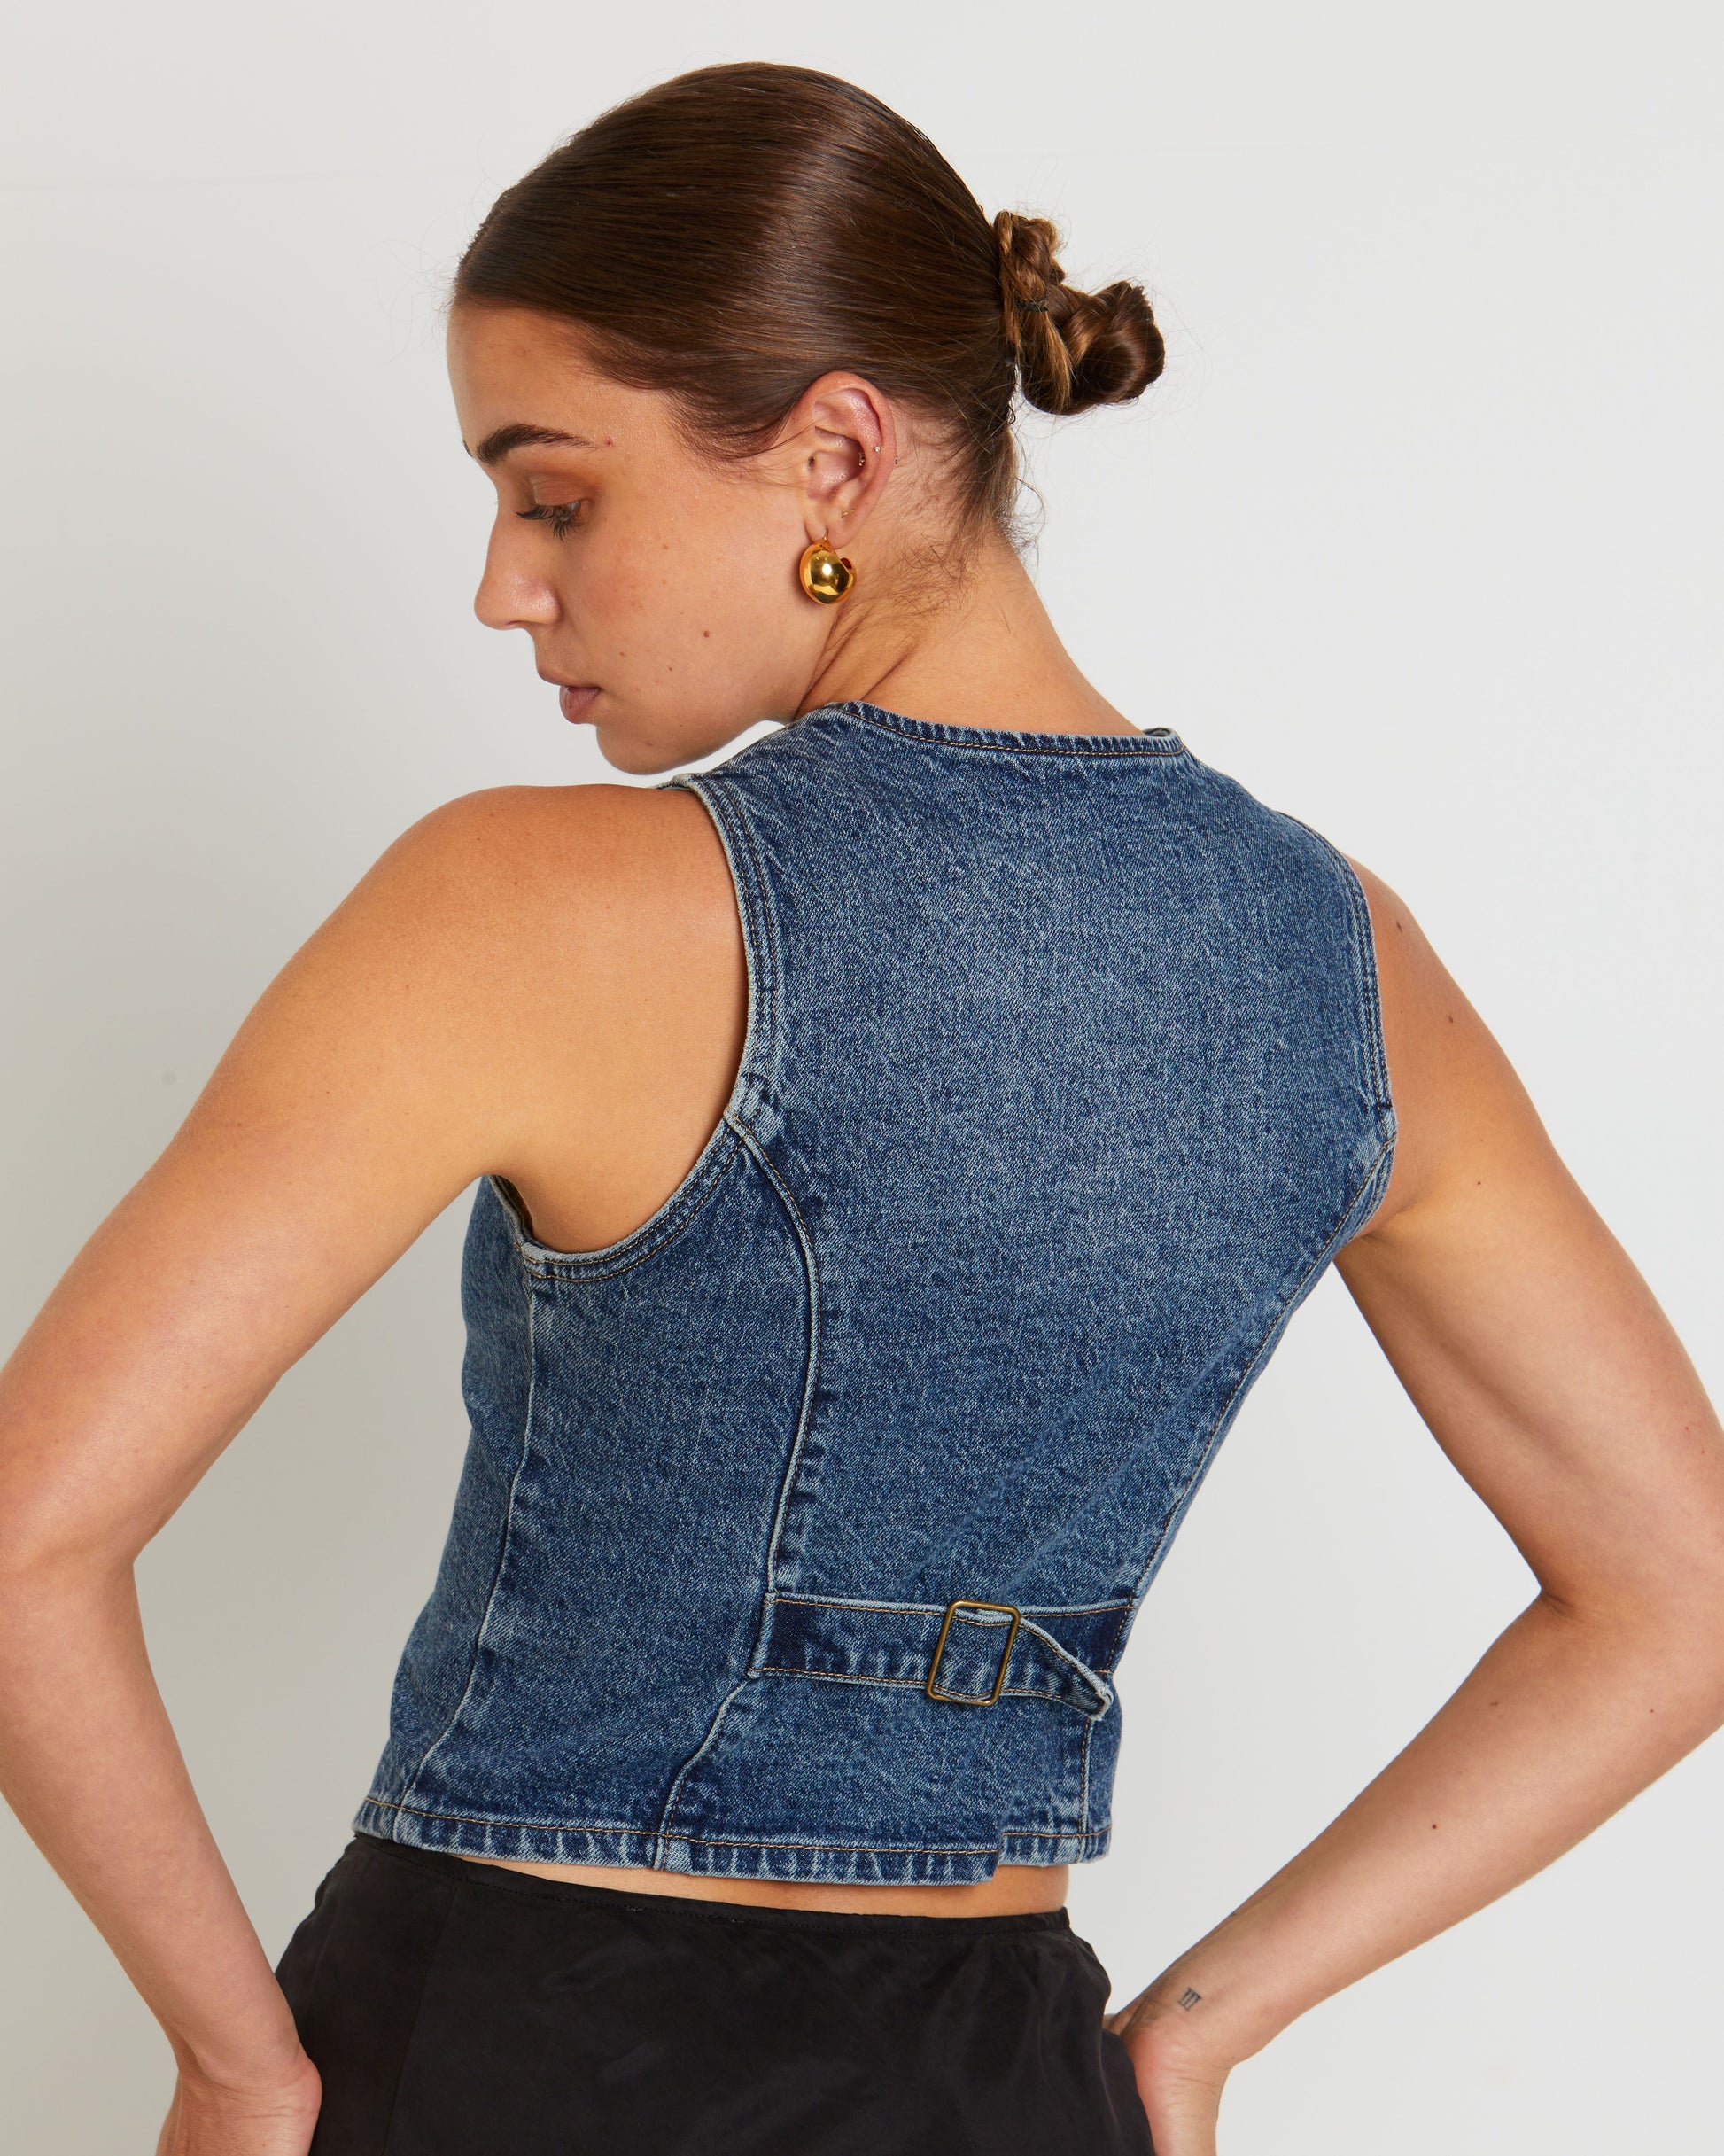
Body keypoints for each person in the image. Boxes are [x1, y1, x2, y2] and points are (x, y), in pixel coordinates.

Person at [1, 55, 1720, 2156]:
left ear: (833, 452)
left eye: (555, 496)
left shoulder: (519, 903)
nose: (502, 583)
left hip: (517, 2055)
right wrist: (1196, 2032)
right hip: (1005, 2086)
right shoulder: (1339, 958)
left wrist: (234, 2061)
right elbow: (1679, 1589)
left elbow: (25, 1535)